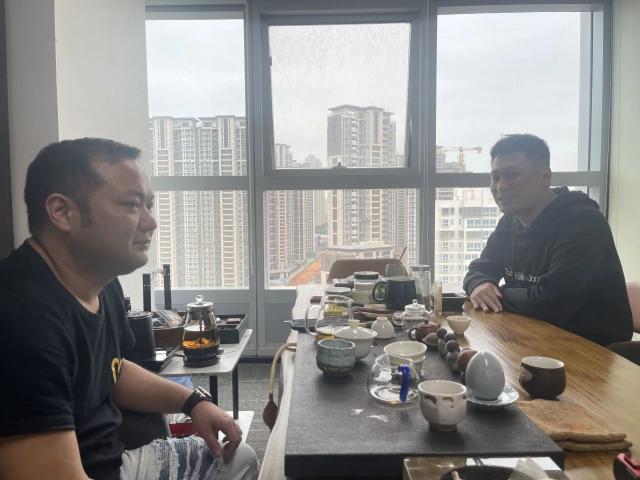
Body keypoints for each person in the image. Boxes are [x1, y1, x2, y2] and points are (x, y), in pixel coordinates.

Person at [0, 138, 259, 480]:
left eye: (149, 205)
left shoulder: (101, 282)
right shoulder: (20, 319)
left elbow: (113, 371)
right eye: (131, 205)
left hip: (113, 462)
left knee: (236, 458)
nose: (151, 222)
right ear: (62, 212)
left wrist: (193, 402)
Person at [463, 133, 632, 346]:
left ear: (545, 177)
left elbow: (551, 303)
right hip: (535, 337)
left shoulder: (583, 223)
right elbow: (479, 269)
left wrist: (496, 295)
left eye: (512, 175)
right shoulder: (510, 221)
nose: (501, 186)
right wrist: (479, 284)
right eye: (495, 177)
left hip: (593, 349)